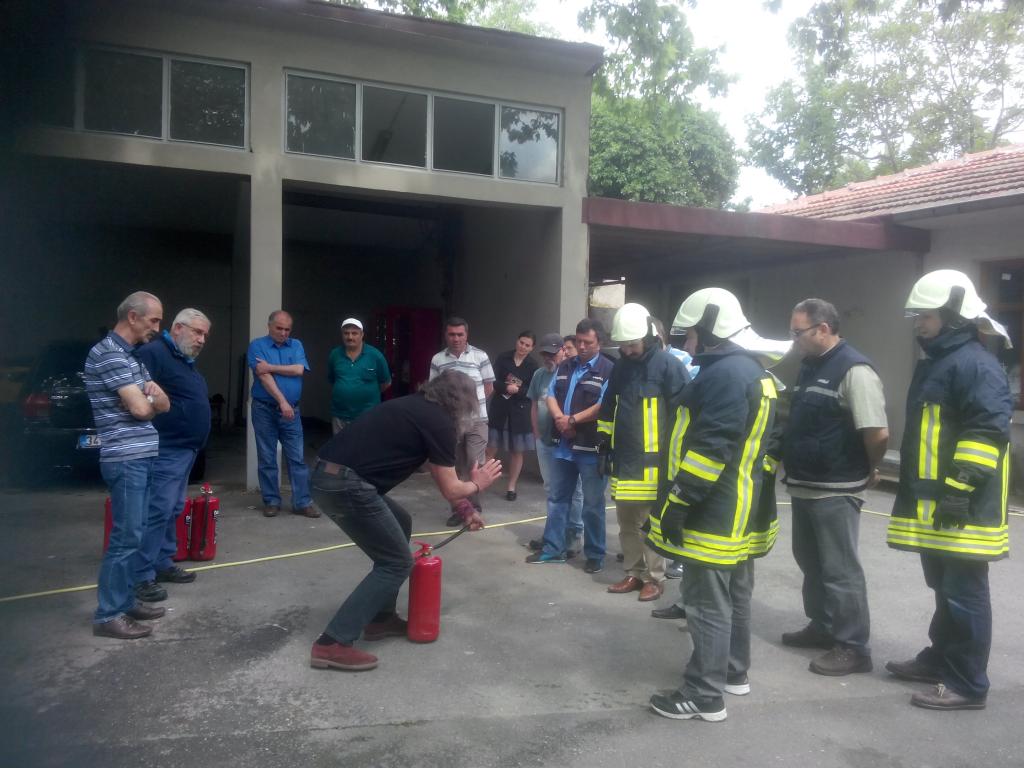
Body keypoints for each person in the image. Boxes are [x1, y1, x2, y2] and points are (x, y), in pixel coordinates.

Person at [647, 288, 789, 722]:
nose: (688, 344)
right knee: (735, 594)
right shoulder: (753, 371)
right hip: (741, 506)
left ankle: (703, 694)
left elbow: (711, 447)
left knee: (706, 601)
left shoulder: (725, 374)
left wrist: (680, 500)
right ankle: (731, 671)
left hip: (713, 509)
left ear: (709, 330)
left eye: (690, 334)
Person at [308, 370, 503, 672]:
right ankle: (331, 643)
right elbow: (452, 487)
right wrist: (478, 484)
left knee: (401, 522)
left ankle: (380, 619)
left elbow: (440, 475)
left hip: (328, 476)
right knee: (397, 563)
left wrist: (465, 509)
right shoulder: (440, 422)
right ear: (462, 403)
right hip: (345, 484)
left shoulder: (417, 408)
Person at [885, 269, 1013, 711]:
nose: (919, 324)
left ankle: (967, 683)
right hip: (942, 505)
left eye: (926, 316)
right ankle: (940, 660)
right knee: (945, 588)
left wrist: (959, 489)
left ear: (953, 316)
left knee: (964, 594)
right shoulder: (942, 361)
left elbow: (987, 432)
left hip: (964, 506)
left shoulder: (976, 365)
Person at [780, 298, 888, 676]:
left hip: (835, 488)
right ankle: (823, 626)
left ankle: (853, 647)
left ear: (823, 329)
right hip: (806, 484)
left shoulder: (854, 370)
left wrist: (870, 468)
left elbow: (877, 432)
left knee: (840, 571)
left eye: (798, 332)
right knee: (811, 563)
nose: (794, 339)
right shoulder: (810, 366)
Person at [84, 291, 171, 639]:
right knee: (126, 536)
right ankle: (109, 614)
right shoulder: (108, 354)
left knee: (136, 533)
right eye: (154, 320)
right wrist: (147, 400)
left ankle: (124, 600)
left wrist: (149, 399)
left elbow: (163, 403)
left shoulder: (131, 357)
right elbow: (141, 409)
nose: (158, 328)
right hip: (125, 458)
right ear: (133, 317)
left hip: (142, 455)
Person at [598, 304, 689, 602]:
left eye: (632, 344)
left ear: (648, 337)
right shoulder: (621, 367)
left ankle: (654, 578)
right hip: (624, 460)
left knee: (649, 523)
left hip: (655, 464)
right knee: (626, 522)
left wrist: (677, 460)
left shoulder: (668, 366)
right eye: (623, 345)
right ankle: (633, 573)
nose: (626, 350)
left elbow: (683, 416)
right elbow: (609, 406)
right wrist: (603, 442)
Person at [133, 308, 213, 602]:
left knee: (173, 508)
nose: (202, 339)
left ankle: (162, 562)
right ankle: (140, 576)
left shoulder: (183, 360)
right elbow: (134, 392)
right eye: (197, 332)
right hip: (166, 447)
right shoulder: (154, 353)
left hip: (185, 449)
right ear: (178, 328)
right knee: (158, 510)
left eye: (205, 335)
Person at [527, 318, 613, 573]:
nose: (582, 346)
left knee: (593, 504)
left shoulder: (608, 370)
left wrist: (573, 420)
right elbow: (551, 394)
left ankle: (595, 554)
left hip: (591, 448)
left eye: (588, 342)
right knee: (557, 499)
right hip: (563, 447)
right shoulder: (565, 366)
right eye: (579, 341)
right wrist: (560, 419)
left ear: (600, 342)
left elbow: (603, 405)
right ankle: (554, 549)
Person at [248, 310, 317, 518]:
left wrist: (270, 366)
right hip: (264, 409)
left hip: (292, 410)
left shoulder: (296, 345)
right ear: (269, 326)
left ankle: (302, 502)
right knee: (267, 457)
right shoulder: (257, 346)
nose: (284, 333)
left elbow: (298, 370)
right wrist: (282, 401)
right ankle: (271, 501)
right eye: (279, 328)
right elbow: (264, 377)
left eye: (287, 329)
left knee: (297, 458)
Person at [429, 317, 495, 526]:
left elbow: (489, 386)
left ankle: (474, 507)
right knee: (453, 465)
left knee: (474, 462)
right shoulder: (438, 359)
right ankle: (460, 509)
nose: (456, 338)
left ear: (467, 335)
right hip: (451, 423)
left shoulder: (480, 356)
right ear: (446, 335)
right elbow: (433, 390)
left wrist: (471, 406)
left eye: (460, 334)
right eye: (452, 334)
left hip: (477, 420)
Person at [527, 334, 583, 555]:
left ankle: (573, 535)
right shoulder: (539, 375)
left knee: (574, 490)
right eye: (544, 354)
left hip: (567, 442)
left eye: (552, 353)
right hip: (545, 441)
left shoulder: (570, 374)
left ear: (562, 351)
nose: (548, 357)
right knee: (551, 489)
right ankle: (553, 534)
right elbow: (534, 405)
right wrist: (536, 433)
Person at [487, 331, 539, 500]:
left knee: (517, 450)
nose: (523, 347)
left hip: (519, 411)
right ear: (517, 341)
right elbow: (492, 380)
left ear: (532, 348)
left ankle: (511, 486)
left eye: (527, 345)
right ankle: (482, 481)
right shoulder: (503, 358)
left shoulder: (533, 365)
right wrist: (505, 388)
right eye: (521, 342)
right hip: (500, 408)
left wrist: (519, 391)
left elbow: (533, 390)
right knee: (490, 447)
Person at [327, 317, 391, 433]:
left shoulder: (375, 355)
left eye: (354, 333)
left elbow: (386, 383)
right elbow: (333, 380)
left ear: (362, 335)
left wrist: (366, 395)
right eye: (346, 333)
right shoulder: (335, 355)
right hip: (340, 416)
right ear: (342, 335)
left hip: (367, 416)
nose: (350, 337)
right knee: (340, 444)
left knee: (365, 444)